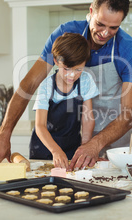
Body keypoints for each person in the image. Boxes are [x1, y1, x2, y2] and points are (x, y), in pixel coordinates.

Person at [0, 0, 132, 170]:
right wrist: (4, 134)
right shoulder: (66, 35)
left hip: (119, 142)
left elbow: (129, 112)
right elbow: (29, 85)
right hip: (79, 139)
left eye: (113, 27)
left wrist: (95, 144)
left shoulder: (129, 49)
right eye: (100, 24)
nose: (105, 32)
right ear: (91, 11)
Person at [30, 33, 99, 168]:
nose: (72, 75)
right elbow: (40, 126)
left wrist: (85, 146)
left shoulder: (85, 80)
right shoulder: (46, 86)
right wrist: (55, 150)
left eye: (78, 69)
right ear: (56, 61)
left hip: (71, 145)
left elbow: (87, 118)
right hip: (44, 148)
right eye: (66, 69)